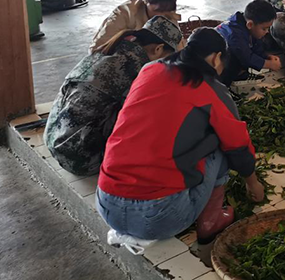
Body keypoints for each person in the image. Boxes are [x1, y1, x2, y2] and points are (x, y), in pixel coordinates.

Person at [96, 28, 265, 266]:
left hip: (107, 203)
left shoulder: (149, 70)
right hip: (159, 217)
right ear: (216, 58)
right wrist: (253, 183)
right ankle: (212, 221)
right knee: (220, 143)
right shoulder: (212, 90)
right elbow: (238, 145)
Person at [45, 16, 183, 177]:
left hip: (54, 138)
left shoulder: (113, 50)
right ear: (158, 49)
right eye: (167, 58)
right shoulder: (136, 68)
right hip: (82, 159)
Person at [90, 0, 182, 52]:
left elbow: (178, 48)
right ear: (145, 1)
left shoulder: (168, 13)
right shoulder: (124, 14)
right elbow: (96, 50)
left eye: (166, 11)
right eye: (157, 10)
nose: (162, 16)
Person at [215, 0, 282, 86]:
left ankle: (240, 74)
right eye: (264, 28)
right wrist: (269, 64)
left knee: (249, 47)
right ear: (250, 24)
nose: (267, 31)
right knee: (232, 58)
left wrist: (266, 57)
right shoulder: (235, 34)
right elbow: (246, 58)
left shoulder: (245, 23)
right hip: (213, 64)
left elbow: (256, 46)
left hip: (229, 53)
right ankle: (224, 86)